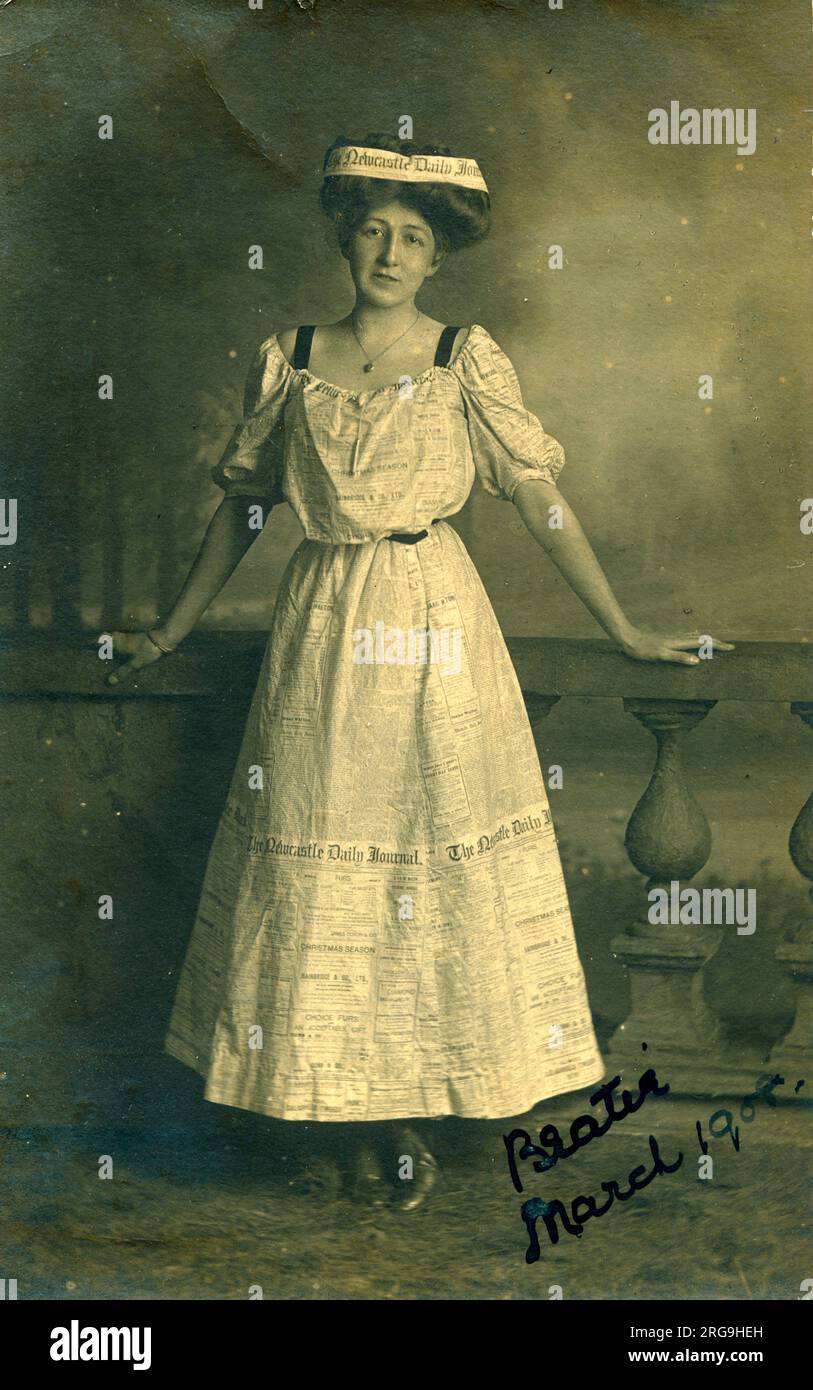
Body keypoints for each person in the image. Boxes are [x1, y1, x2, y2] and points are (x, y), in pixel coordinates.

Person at [107, 133, 732, 1213]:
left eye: (412, 238)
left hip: (438, 630)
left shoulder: (461, 361)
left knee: (415, 873)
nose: (389, 253)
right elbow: (247, 508)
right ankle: (324, 1115)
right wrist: (168, 630)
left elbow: (539, 501)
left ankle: (400, 1119)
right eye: (372, 231)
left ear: (436, 258)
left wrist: (627, 630)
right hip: (320, 631)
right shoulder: (291, 353)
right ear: (344, 238)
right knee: (316, 871)